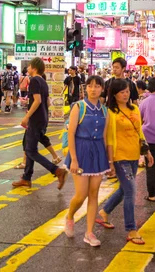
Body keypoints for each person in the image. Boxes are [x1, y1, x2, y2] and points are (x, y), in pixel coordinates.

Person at [97, 79, 153, 245]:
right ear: (114, 94)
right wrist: (110, 161)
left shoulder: (135, 108)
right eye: (122, 92)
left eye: (127, 91)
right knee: (130, 190)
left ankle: (105, 212)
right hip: (120, 156)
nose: (125, 94)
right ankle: (131, 229)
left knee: (124, 188)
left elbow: (139, 132)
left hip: (134, 154)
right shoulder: (111, 112)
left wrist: (146, 151)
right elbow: (109, 138)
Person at [64, 76, 111, 247]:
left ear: (102, 89)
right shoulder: (79, 106)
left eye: (97, 86)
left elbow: (105, 136)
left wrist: (108, 160)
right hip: (81, 151)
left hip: (98, 152)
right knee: (81, 194)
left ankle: (89, 233)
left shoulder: (105, 111)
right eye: (90, 86)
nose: (93, 89)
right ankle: (70, 216)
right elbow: (71, 133)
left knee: (94, 194)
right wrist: (74, 159)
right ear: (85, 89)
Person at [12, 57, 68, 189]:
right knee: (28, 145)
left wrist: (27, 117)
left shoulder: (34, 80)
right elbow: (47, 102)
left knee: (30, 150)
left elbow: (37, 100)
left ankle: (56, 171)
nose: (28, 68)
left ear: (34, 68)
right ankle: (26, 178)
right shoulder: (43, 81)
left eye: (30, 66)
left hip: (35, 119)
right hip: (42, 118)